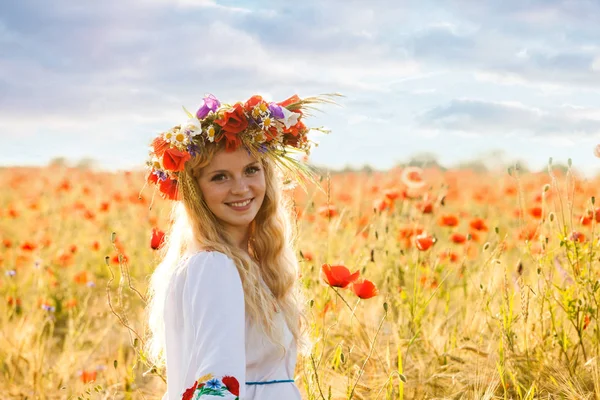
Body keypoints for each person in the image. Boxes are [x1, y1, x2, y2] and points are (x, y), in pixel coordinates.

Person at [142, 93, 335, 399]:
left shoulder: (234, 263)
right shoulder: (214, 266)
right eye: (220, 177)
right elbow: (217, 385)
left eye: (251, 170)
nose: (241, 188)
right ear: (196, 192)